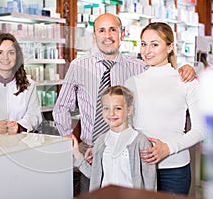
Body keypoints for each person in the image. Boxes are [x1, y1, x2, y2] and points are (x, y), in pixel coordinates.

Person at [52, 13, 196, 194]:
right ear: (94, 36)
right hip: (91, 150)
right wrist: (68, 137)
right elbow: (62, 107)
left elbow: (163, 75)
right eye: (101, 30)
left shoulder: (139, 66)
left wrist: (186, 68)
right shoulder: (78, 66)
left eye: (113, 29)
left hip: (130, 153)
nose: (107, 36)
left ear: (122, 33)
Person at [124, 22, 207, 195]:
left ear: (170, 47)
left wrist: (168, 148)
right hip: (141, 167)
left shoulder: (186, 81)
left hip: (175, 170)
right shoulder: (132, 83)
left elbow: (201, 129)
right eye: (144, 44)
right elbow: (127, 129)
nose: (147, 51)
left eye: (155, 44)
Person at [67, 85, 157, 192]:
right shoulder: (100, 142)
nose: (111, 113)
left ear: (129, 110)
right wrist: (76, 153)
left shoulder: (140, 141)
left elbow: (150, 180)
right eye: (106, 108)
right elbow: (95, 175)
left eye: (118, 108)